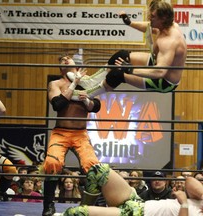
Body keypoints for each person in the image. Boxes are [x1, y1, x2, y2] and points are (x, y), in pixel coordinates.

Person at [68, 0, 187, 99]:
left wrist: (130, 69)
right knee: (121, 55)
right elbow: (149, 26)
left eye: (153, 16)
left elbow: (160, 72)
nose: (149, 17)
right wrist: (129, 23)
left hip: (163, 81)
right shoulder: (166, 25)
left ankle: (87, 95)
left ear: (164, 18)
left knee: (118, 73)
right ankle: (90, 81)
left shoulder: (169, 41)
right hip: (156, 62)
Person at [42, 54, 101, 216]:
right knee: (52, 163)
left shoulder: (88, 81)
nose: (66, 58)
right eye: (62, 59)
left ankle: (88, 207)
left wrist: (87, 101)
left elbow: (96, 106)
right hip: (61, 132)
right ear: (61, 68)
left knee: (92, 166)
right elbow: (57, 104)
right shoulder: (56, 83)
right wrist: (75, 83)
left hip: (80, 133)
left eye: (69, 57)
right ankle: (48, 206)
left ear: (76, 64)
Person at [63, 163, 203, 216]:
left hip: (135, 215)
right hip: (138, 202)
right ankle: (87, 205)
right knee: (98, 170)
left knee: (75, 213)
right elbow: (190, 181)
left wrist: (184, 203)